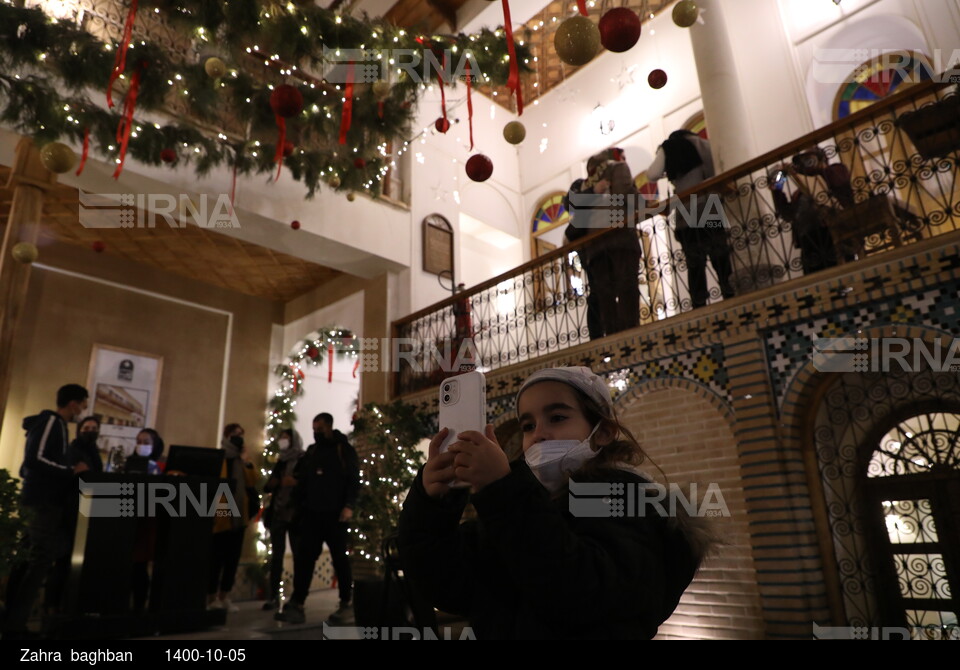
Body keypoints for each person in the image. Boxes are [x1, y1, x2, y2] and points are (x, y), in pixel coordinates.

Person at [398, 367, 711, 639]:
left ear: (603, 433)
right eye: (528, 426)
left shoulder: (626, 499)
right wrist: (432, 506)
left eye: (557, 417)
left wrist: (503, 491)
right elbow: (448, 585)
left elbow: (577, 591)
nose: (539, 435)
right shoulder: (524, 506)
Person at [3, 384, 89, 639]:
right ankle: (15, 625)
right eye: (83, 405)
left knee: (32, 558)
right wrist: (69, 471)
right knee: (40, 559)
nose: (83, 411)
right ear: (73, 403)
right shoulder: (51, 422)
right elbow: (34, 458)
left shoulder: (59, 427)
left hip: (45, 501)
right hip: (42, 502)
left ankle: (12, 619)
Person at [276, 413, 359, 625]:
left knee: (340, 558)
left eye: (320, 428)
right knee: (304, 559)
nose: (316, 433)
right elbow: (304, 480)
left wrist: (349, 505)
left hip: (336, 515)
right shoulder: (312, 452)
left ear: (329, 427)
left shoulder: (343, 450)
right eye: (314, 429)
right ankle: (298, 602)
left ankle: (345, 602)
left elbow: (353, 480)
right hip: (312, 514)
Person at [646, 130, 735, 308]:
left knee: (695, 264)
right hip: (709, 205)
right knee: (721, 258)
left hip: (686, 212)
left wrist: (666, 167)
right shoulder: (701, 143)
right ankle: (731, 297)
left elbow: (651, 174)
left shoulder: (668, 147)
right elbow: (716, 167)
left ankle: (699, 305)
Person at [565, 148, 643, 338]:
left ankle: (613, 338)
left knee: (604, 294)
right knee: (627, 288)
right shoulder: (619, 168)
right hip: (620, 239)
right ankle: (630, 334)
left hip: (595, 248)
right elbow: (629, 196)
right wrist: (639, 198)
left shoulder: (584, 185)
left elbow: (572, 207)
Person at [43, 416, 104, 617]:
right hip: (70, 510)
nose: (91, 431)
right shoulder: (72, 450)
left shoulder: (94, 452)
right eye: (87, 428)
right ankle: (52, 607)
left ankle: (71, 606)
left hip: (86, 509)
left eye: (94, 428)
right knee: (63, 560)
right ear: (79, 430)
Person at [208, 423, 258, 613]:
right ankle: (211, 597)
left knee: (232, 558)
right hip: (221, 509)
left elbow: (253, 481)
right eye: (234, 435)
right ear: (227, 436)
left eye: (240, 435)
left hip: (239, 512)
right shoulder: (219, 456)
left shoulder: (243, 459)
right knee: (216, 557)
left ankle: (224, 596)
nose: (238, 438)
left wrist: (245, 461)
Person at [261, 428, 305, 611]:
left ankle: (297, 597)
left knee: (299, 556)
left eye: (286, 438)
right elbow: (268, 486)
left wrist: (295, 482)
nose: (282, 441)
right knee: (276, 557)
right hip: (278, 513)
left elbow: (309, 483)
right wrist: (273, 484)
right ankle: (273, 597)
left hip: (295, 514)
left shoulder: (303, 460)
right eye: (281, 438)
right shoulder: (281, 461)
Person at [128, 428, 164, 612]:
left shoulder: (158, 468)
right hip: (127, 520)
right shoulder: (128, 464)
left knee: (140, 566)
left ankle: (139, 607)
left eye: (146, 442)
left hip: (147, 521)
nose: (141, 445)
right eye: (139, 441)